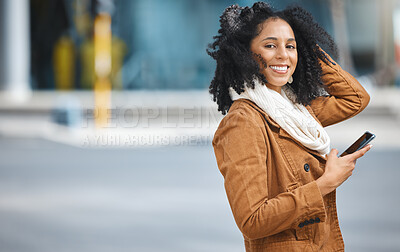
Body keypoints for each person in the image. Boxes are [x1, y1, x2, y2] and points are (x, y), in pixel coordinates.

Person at [207, 2, 372, 251]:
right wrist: (326, 183)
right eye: (270, 45)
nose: (283, 54)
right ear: (244, 53)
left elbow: (355, 98)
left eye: (290, 46)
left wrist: (305, 49)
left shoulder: (296, 111)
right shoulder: (242, 121)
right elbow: (252, 220)